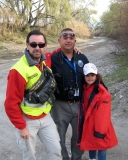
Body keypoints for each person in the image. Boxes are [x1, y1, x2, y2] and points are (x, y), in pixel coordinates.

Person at [4, 30, 62, 160]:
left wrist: (72, 48)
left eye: (41, 45)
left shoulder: (45, 62)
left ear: (45, 46)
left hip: (46, 118)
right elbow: (10, 103)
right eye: (33, 44)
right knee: (29, 156)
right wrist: (21, 126)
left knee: (56, 150)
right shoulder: (18, 71)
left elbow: (53, 54)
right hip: (27, 120)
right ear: (27, 45)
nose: (37, 48)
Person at [50, 28, 89, 160]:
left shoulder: (82, 58)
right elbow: (36, 56)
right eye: (64, 37)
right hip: (59, 106)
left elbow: (91, 79)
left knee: (79, 136)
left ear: (75, 41)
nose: (68, 40)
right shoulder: (53, 58)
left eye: (71, 37)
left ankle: (76, 158)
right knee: (58, 138)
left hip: (79, 104)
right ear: (59, 40)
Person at [77, 63, 118, 160]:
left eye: (92, 75)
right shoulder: (84, 88)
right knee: (92, 144)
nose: (90, 78)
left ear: (96, 76)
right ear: (84, 76)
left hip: (100, 126)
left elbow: (104, 115)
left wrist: (100, 131)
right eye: (87, 75)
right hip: (89, 123)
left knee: (101, 146)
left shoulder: (103, 93)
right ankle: (92, 158)